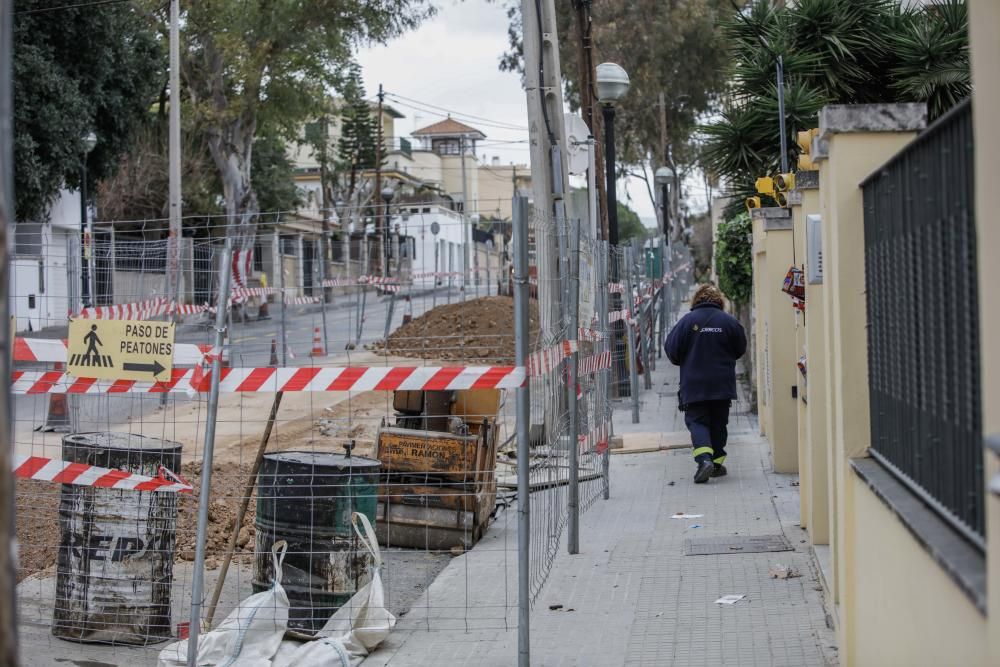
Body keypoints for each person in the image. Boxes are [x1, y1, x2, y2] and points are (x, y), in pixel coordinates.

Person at [665, 283, 747, 484]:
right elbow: (740, 349)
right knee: (719, 423)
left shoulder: (687, 322)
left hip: (694, 385)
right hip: (722, 384)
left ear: (696, 300)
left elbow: (672, 350)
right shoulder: (729, 322)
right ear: (720, 301)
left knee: (698, 421)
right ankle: (717, 464)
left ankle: (704, 461)